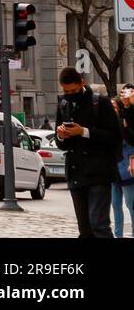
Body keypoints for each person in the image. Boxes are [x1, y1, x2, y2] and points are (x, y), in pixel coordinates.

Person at [55, 67, 122, 238]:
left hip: (99, 172)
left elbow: (114, 136)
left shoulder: (100, 102)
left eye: (74, 90)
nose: (70, 94)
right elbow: (61, 144)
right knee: (84, 228)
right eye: (66, 91)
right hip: (76, 172)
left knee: (98, 224)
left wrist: (83, 132)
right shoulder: (63, 104)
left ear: (82, 83)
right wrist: (61, 136)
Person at [111, 84, 134, 238]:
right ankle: (117, 235)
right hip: (113, 171)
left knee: (131, 205)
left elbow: (132, 144)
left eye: (114, 107)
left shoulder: (125, 123)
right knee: (115, 206)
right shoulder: (109, 126)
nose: (111, 110)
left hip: (127, 169)